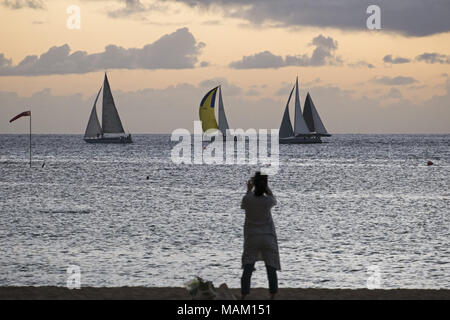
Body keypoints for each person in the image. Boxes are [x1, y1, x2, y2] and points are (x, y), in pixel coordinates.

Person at [240, 172, 280, 300]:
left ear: (254, 185)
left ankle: (244, 295)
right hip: (267, 236)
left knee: (248, 267)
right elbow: (273, 199)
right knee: (271, 267)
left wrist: (248, 190)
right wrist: (267, 188)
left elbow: (244, 205)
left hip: (252, 237)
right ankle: (272, 295)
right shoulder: (268, 201)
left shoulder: (248, 199)